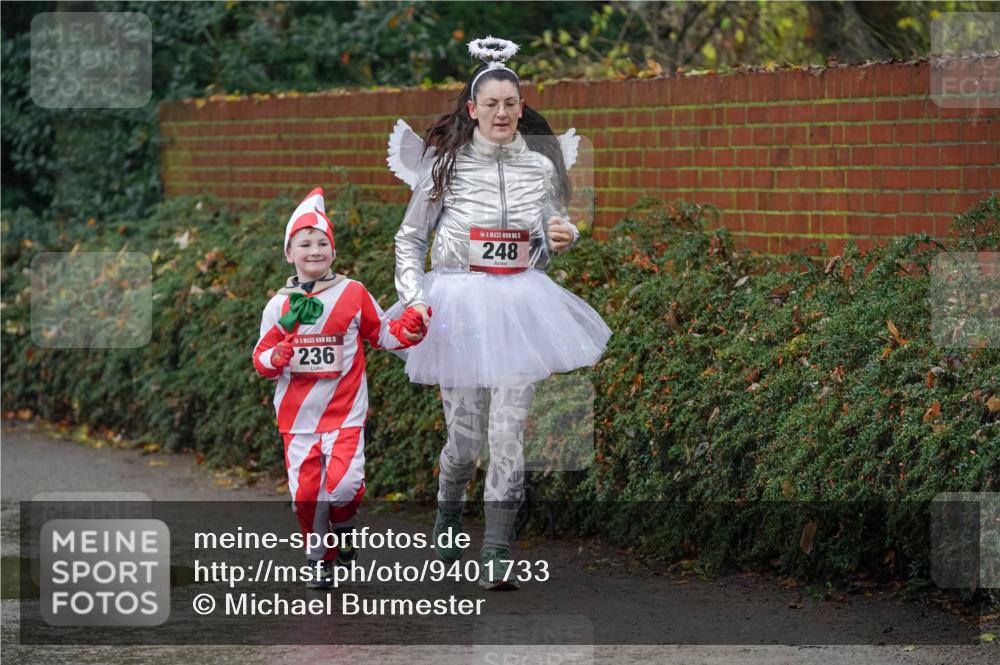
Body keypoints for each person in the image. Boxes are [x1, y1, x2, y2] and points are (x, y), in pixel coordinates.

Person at [387, 37, 611, 590]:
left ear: (520, 105)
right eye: (492, 104)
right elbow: (409, 238)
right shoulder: (444, 166)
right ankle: (446, 514)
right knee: (464, 440)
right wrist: (416, 299)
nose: (503, 112)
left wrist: (564, 236)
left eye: (511, 102)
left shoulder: (539, 166)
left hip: (518, 307)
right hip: (458, 304)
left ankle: (497, 549)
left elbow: (546, 238)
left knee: (509, 432)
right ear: (472, 109)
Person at [252, 187, 426, 589]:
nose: (314, 250)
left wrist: (413, 329)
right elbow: (260, 359)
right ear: (289, 253)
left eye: (322, 242)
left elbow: (384, 334)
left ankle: (346, 526)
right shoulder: (277, 305)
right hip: (298, 421)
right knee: (307, 497)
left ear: (333, 249)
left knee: (344, 486)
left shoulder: (353, 292)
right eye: (304, 243)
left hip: (345, 413)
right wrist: (276, 357)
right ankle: (319, 559)